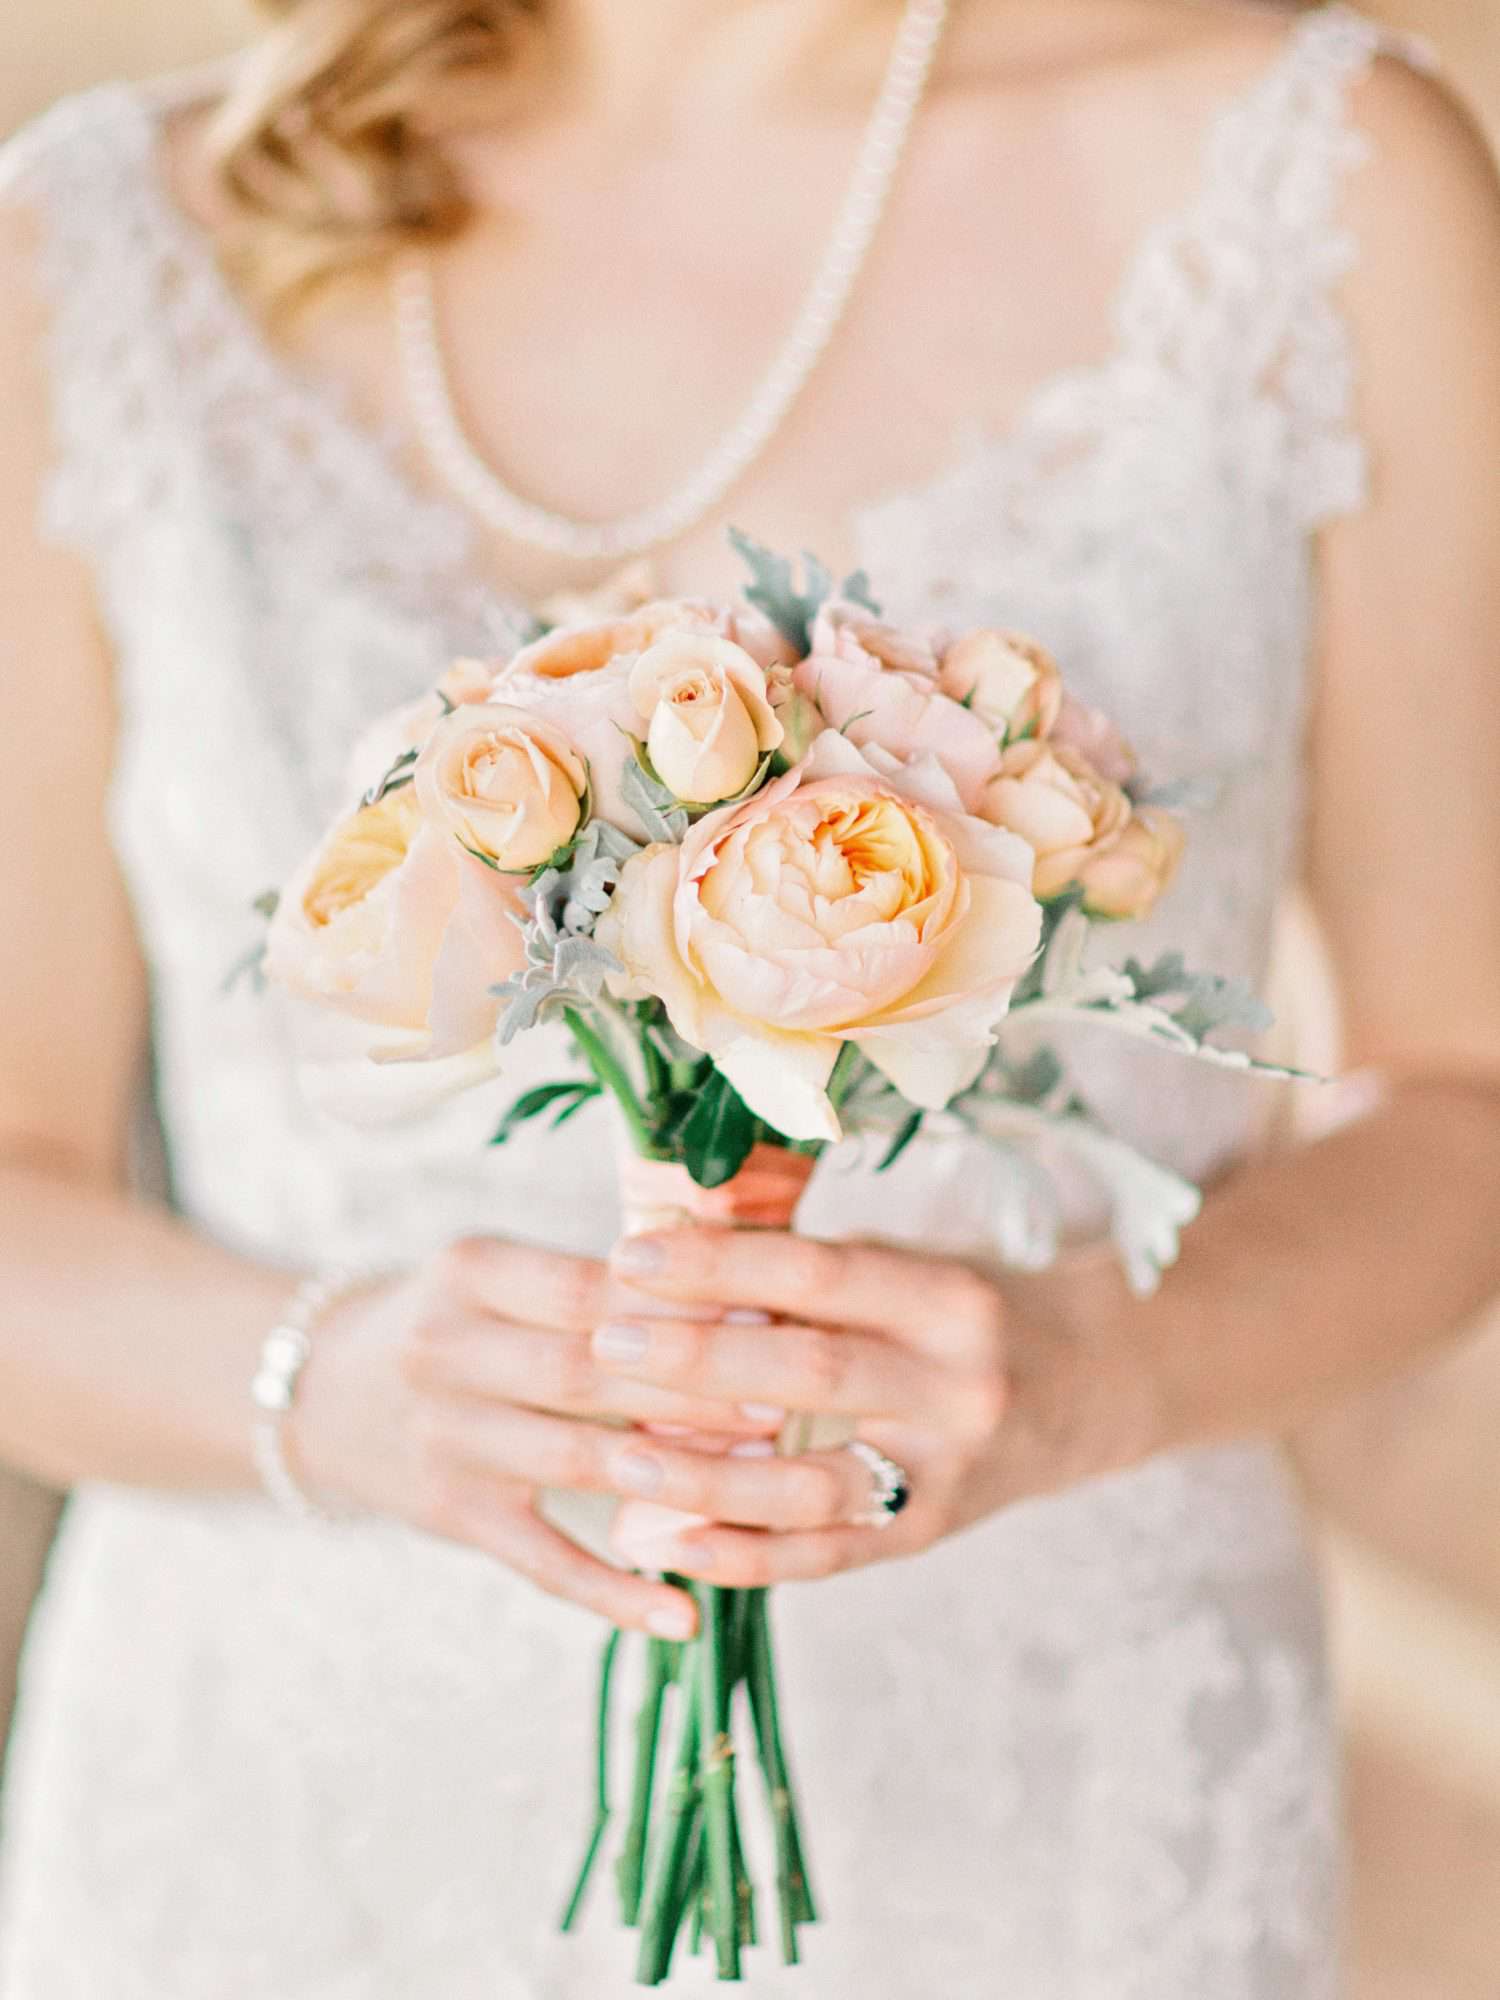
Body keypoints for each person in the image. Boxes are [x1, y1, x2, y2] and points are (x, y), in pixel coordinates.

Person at [1, 0, 1498, 1992]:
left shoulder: (1327, 175)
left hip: (1058, 1792)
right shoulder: (96, 246)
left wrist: (1091, 1369)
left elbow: (1464, 1086)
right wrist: (320, 1380)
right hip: (283, 1816)